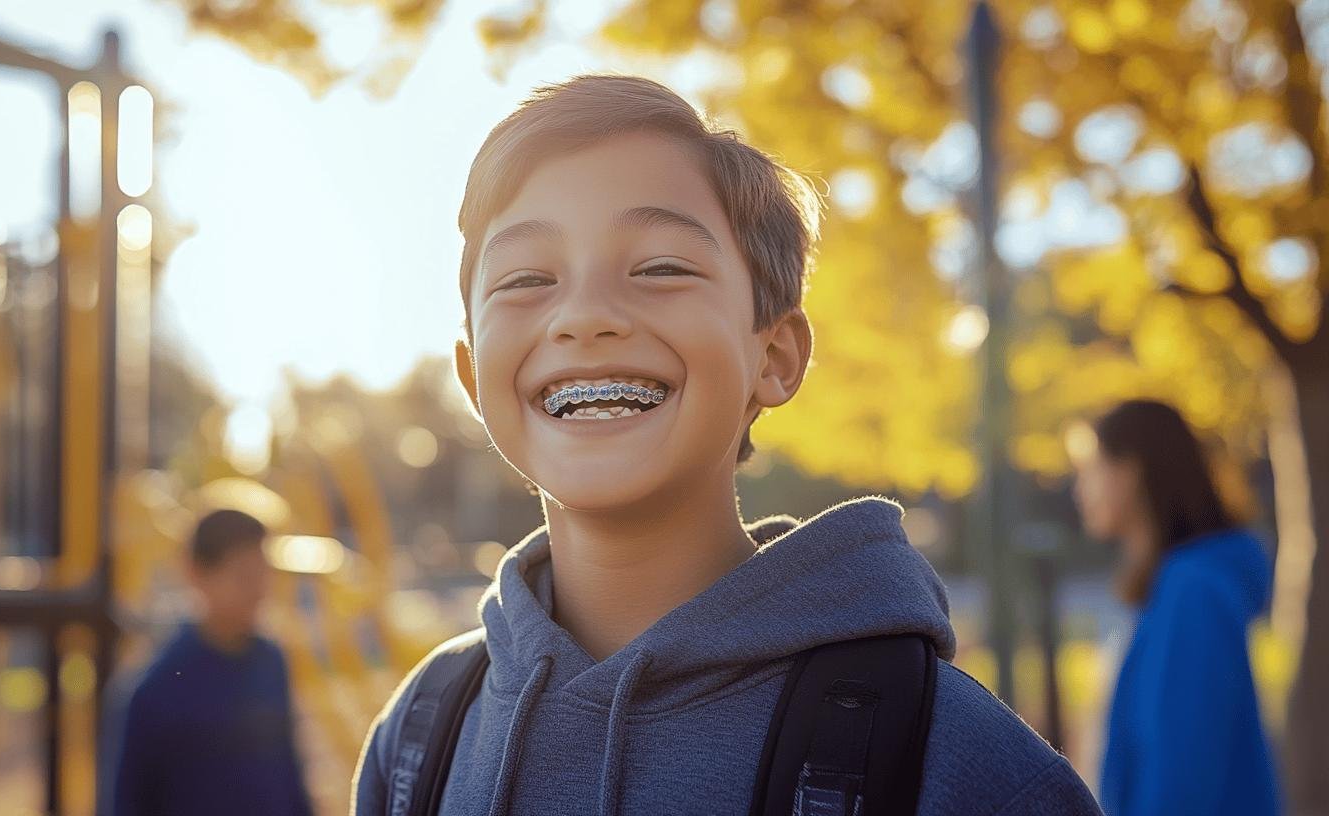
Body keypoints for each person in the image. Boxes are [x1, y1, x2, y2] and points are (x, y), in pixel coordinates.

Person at [353, 74, 1100, 815]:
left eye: (660, 268)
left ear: (774, 357)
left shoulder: (964, 769)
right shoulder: (421, 736)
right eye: (525, 278)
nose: (583, 314)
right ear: (471, 372)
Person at [1071, 400, 1280, 816]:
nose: (1080, 490)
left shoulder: (1193, 592)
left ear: (1131, 471)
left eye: (1089, 469)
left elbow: (1183, 776)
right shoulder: (1168, 589)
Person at [101, 508, 313, 816]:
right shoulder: (153, 690)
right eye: (243, 575)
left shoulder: (271, 660)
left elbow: (288, 777)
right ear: (196, 574)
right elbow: (126, 803)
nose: (259, 589)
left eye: (264, 573)